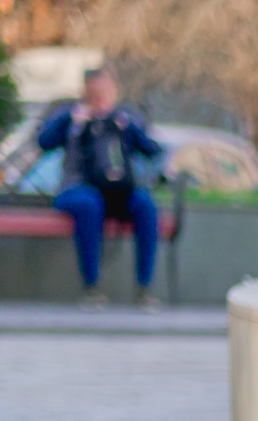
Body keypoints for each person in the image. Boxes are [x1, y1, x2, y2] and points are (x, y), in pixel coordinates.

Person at [37, 69, 164, 310]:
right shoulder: (71, 117)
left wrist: (128, 128)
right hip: (77, 189)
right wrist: (73, 121)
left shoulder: (123, 120)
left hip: (118, 191)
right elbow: (44, 142)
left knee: (146, 205)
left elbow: (152, 149)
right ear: (84, 93)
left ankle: (144, 289)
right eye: (93, 94)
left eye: (104, 93)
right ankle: (91, 289)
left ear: (114, 93)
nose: (99, 99)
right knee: (90, 204)